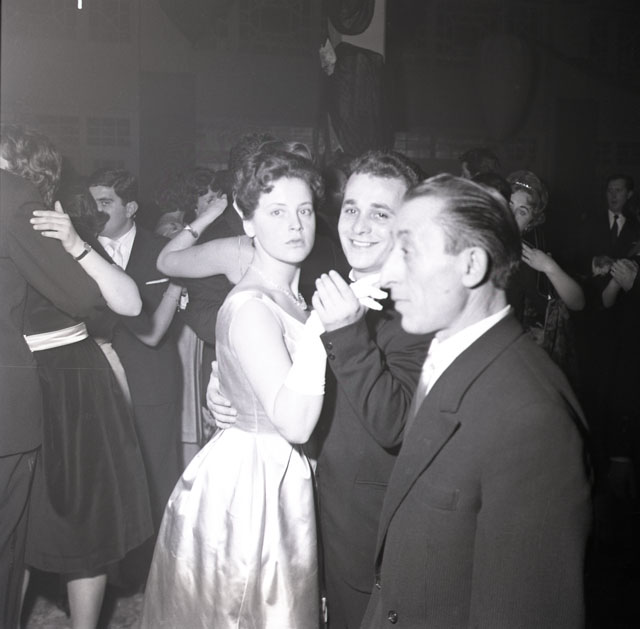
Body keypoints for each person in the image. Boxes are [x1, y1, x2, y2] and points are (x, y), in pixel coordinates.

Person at [362, 174, 592, 628]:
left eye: (407, 253)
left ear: (471, 266)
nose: (387, 275)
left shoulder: (532, 419)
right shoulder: (447, 352)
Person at [140, 148, 327, 628]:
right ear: (248, 221)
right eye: (277, 212)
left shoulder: (291, 293)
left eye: (304, 210)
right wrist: (319, 331)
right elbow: (295, 423)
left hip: (275, 464)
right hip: (257, 483)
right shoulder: (253, 304)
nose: (295, 225)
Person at [1, 125, 153, 629]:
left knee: (85, 525)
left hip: (71, 385)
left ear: (24, 173)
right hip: (18, 390)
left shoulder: (60, 231)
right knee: (17, 527)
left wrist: (76, 245)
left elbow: (131, 304)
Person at [88, 168, 183, 533]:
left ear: (130, 208)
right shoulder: (80, 249)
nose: (96, 212)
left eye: (105, 203)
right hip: (97, 380)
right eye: (92, 203)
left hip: (152, 379)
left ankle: (157, 558)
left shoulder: (164, 252)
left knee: (159, 473)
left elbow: (157, 329)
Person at [505, 170, 584, 383]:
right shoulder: (476, 244)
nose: (511, 216)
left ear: (530, 222)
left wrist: (549, 267)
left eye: (522, 212)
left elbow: (577, 303)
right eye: (509, 205)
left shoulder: (528, 257)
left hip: (514, 363)